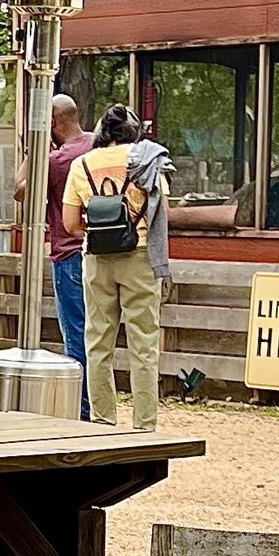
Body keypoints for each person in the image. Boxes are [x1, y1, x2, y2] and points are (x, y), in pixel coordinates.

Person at [63, 103, 170, 431]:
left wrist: (99, 232)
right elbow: (160, 214)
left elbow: (69, 223)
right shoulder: (147, 162)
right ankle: (144, 425)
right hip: (138, 258)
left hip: (97, 260)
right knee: (143, 343)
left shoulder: (82, 164)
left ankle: (102, 421)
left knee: (97, 342)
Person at [15, 93, 95, 416]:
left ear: (52, 123)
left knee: (75, 334)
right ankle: (101, 405)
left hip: (68, 256)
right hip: (99, 253)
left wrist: (34, 147)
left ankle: (83, 409)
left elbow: (19, 188)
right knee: (97, 333)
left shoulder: (56, 161)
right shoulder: (96, 146)